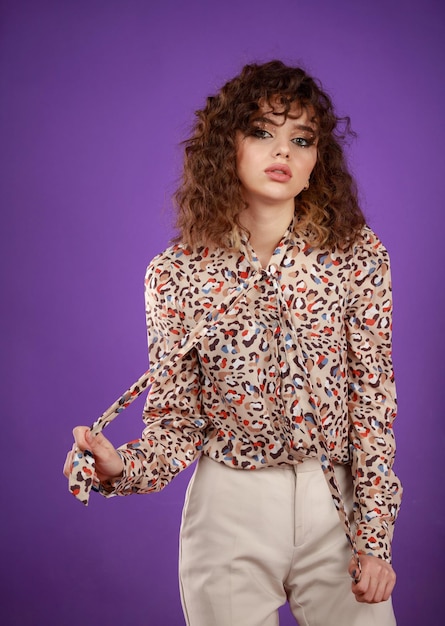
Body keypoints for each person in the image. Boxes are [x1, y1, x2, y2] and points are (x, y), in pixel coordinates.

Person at [63, 60, 402, 626]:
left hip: (334, 502)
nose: (284, 152)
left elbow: (373, 401)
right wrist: (121, 468)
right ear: (228, 146)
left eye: (301, 139)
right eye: (262, 132)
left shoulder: (357, 255)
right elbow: (176, 423)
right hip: (229, 512)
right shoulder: (176, 274)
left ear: (318, 159)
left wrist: (375, 536)